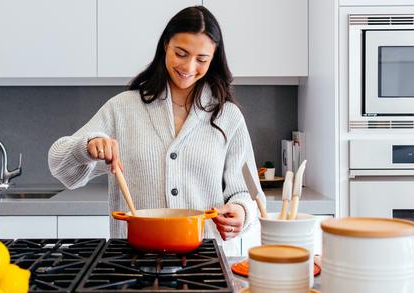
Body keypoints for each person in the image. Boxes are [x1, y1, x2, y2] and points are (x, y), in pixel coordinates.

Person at [48, 5, 262, 255]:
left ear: (213, 59)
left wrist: (240, 211)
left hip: (204, 264)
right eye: (181, 53)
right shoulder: (124, 108)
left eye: (202, 59)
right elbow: (59, 164)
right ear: (165, 46)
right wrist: (87, 147)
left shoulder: (228, 116)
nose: (189, 66)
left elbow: (246, 192)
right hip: (131, 262)